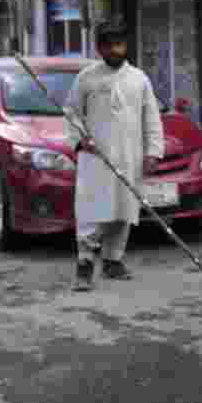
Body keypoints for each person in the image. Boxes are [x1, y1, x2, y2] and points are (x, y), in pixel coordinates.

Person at [65, 16, 165, 292]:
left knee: (124, 212)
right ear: (99, 48)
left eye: (120, 44)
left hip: (129, 157)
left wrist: (153, 152)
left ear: (126, 46)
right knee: (91, 212)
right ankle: (84, 264)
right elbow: (71, 112)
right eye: (109, 46)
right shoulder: (86, 78)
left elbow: (152, 118)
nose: (115, 51)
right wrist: (79, 140)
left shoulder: (139, 79)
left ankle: (112, 260)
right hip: (96, 159)